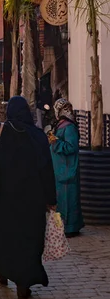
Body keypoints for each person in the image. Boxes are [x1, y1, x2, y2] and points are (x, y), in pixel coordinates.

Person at [0, 96, 57, 299]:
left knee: (3, 237)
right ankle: (23, 283)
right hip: (32, 201)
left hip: (2, 199)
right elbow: (47, 170)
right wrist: (51, 199)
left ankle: (1, 272)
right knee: (28, 239)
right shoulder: (37, 136)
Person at [49, 98, 84, 237]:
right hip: (60, 170)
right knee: (59, 202)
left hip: (67, 171)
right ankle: (59, 227)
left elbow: (71, 147)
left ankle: (70, 228)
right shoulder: (60, 125)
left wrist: (56, 143)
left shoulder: (68, 127)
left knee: (68, 202)